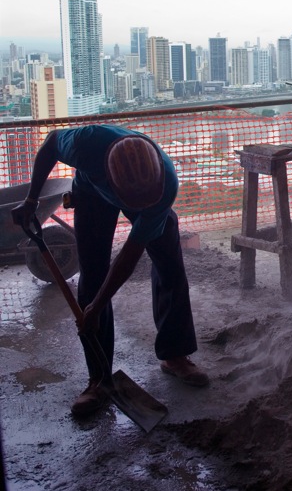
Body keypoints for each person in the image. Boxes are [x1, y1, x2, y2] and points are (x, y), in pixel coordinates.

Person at [13, 124, 209, 417]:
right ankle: (99, 379)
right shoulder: (85, 144)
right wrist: (31, 200)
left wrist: (99, 305)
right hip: (91, 193)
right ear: (112, 180)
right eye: (131, 201)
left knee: (170, 265)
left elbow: (129, 256)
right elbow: (51, 143)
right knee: (92, 277)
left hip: (152, 202)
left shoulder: (164, 184)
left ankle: (174, 354)